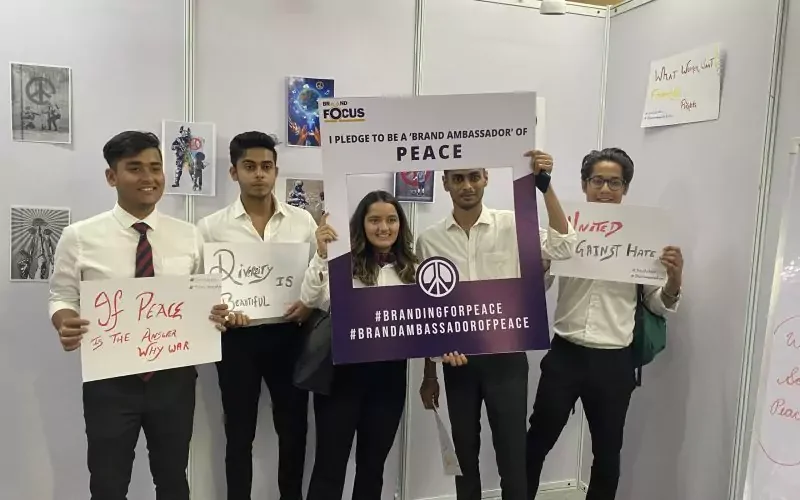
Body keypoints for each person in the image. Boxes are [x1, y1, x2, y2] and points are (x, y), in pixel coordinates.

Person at [48, 130, 235, 500]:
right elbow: (61, 294)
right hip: (110, 380)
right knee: (107, 481)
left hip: (174, 379)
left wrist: (216, 313)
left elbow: (203, 296)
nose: (148, 178)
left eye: (155, 168)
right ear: (111, 177)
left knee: (172, 477)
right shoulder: (79, 236)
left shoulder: (189, 236)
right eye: (134, 168)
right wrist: (64, 320)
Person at [416, 151, 577, 500]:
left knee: (512, 456)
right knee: (464, 457)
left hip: (507, 358)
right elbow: (428, 310)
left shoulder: (514, 226)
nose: (467, 185)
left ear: (486, 177)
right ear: (445, 183)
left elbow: (565, 247)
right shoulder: (428, 240)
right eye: (457, 178)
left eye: (473, 176)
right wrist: (429, 372)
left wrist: (545, 186)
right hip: (458, 362)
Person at [525, 148, 684, 500]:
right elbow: (543, 283)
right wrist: (542, 261)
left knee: (607, 453)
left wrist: (673, 281)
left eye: (615, 182)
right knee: (536, 441)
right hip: (565, 353)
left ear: (625, 188)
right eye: (598, 181)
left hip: (614, 360)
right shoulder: (565, 226)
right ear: (584, 185)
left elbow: (654, 302)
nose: (606, 189)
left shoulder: (644, 236)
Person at [197, 131, 318, 500]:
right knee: (238, 433)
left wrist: (310, 304)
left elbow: (319, 275)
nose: (259, 174)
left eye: (266, 167)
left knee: (294, 429)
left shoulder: (303, 222)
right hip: (237, 340)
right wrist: (217, 312)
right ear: (234, 172)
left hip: (291, 336)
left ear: (276, 171)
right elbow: (201, 291)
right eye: (249, 167)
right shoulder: (211, 227)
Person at [302, 190, 414, 500]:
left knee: (372, 466)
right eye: (375, 220)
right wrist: (322, 254)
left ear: (400, 225)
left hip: (389, 380)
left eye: (391, 220)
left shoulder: (412, 270)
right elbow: (312, 299)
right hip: (341, 377)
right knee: (329, 465)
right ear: (361, 224)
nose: (383, 228)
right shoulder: (343, 263)